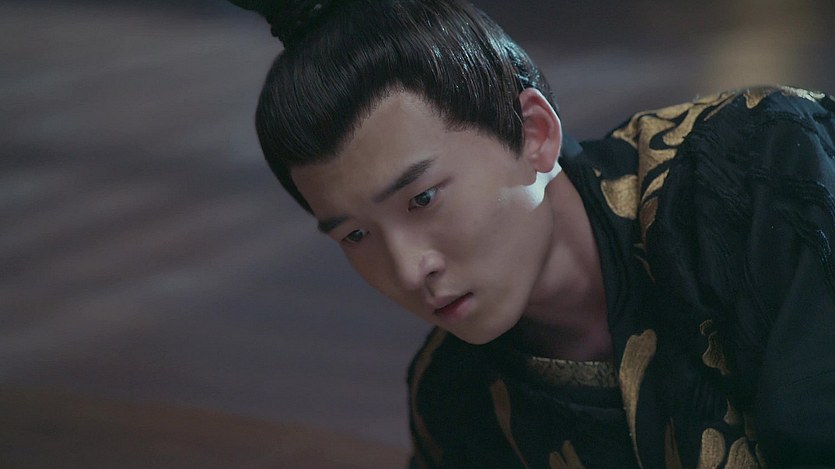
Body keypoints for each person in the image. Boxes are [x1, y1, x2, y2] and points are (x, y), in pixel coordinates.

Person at [227, 1, 835, 467]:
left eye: (423, 198)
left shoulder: (757, 172)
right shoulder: (453, 399)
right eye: (356, 235)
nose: (409, 270)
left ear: (533, 134)